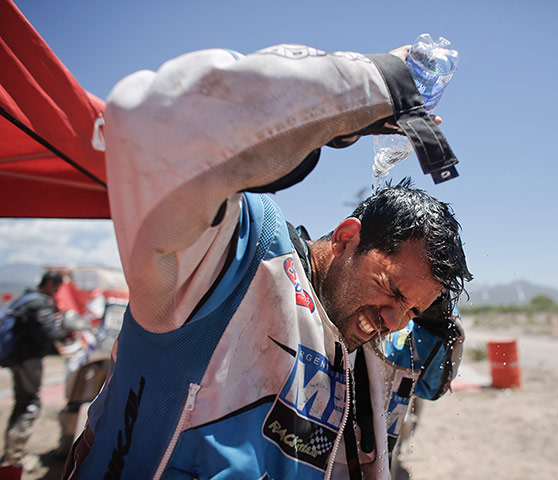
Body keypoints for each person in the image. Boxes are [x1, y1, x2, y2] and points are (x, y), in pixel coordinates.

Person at [63, 43, 471, 479]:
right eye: (391, 288)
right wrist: (368, 86)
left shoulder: (367, 343)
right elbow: (151, 124)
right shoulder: (232, 257)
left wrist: (428, 312)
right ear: (347, 238)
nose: (394, 319)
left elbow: (432, 381)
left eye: (410, 309)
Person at [2, 271, 69, 471]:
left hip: (18, 358)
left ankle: (11, 453)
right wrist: (68, 331)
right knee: (29, 405)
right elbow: (46, 333)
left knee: (22, 403)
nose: (57, 292)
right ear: (49, 283)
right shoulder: (39, 303)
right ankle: (14, 459)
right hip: (27, 359)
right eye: (56, 287)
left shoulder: (25, 298)